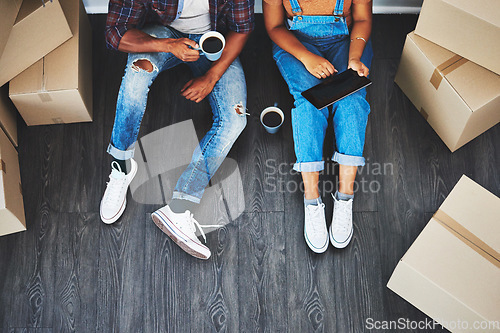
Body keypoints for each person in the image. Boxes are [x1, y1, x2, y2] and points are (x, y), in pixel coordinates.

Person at [100, 0, 254, 260]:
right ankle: (121, 167)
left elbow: (242, 28)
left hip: (214, 40)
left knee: (235, 119)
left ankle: (179, 209)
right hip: (163, 34)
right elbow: (115, 32)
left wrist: (211, 77)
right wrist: (168, 46)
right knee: (136, 78)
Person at [263, 0, 373, 252]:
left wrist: (354, 58)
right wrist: (307, 57)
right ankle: (312, 200)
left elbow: (363, 20)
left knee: (352, 99)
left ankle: (345, 197)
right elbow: (274, 26)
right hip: (296, 44)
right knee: (309, 102)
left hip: (347, 42)